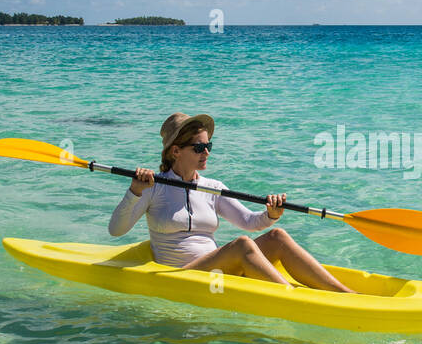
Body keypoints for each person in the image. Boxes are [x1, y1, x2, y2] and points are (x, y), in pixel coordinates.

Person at [108, 112, 355, 292]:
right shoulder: (153, 187)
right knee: (240, 245)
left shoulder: (213, 187)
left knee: (277, 236)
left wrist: (271, 214)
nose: (207, 152)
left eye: (208, 146)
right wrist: (135, 191)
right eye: (199, 147)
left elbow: (249, 221)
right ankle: (292, 297)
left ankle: (344, 294)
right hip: (182, 276)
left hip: (217, 269)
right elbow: (116, 230)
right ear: (175, 151)